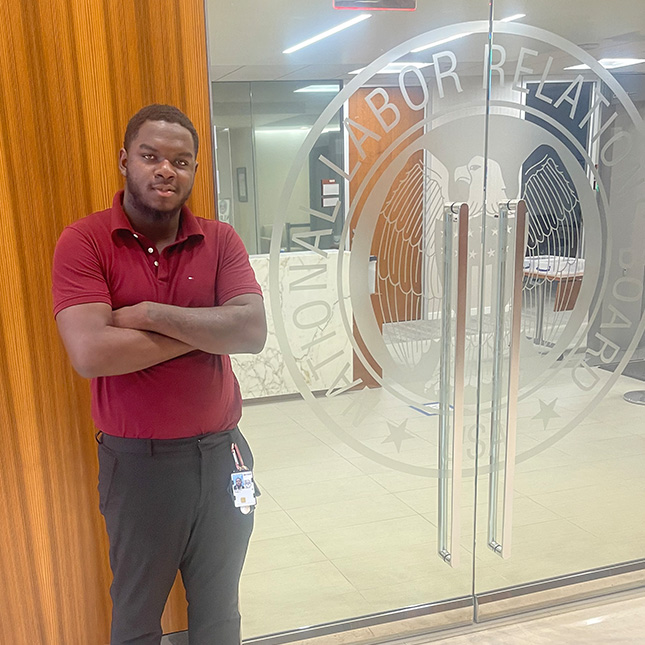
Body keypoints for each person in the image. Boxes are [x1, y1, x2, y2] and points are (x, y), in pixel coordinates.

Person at [52, 104, 266, 645]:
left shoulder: (220, 240)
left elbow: (251, 334)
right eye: (151, 156)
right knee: (137, 610)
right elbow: (91, 354)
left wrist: (147, 314)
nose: (165, 170)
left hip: (225, 456)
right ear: (125, 160)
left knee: (220, 609)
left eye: (181, 160)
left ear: (195, 170)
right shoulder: (85, 241)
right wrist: (205, 328)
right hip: (137, 466)